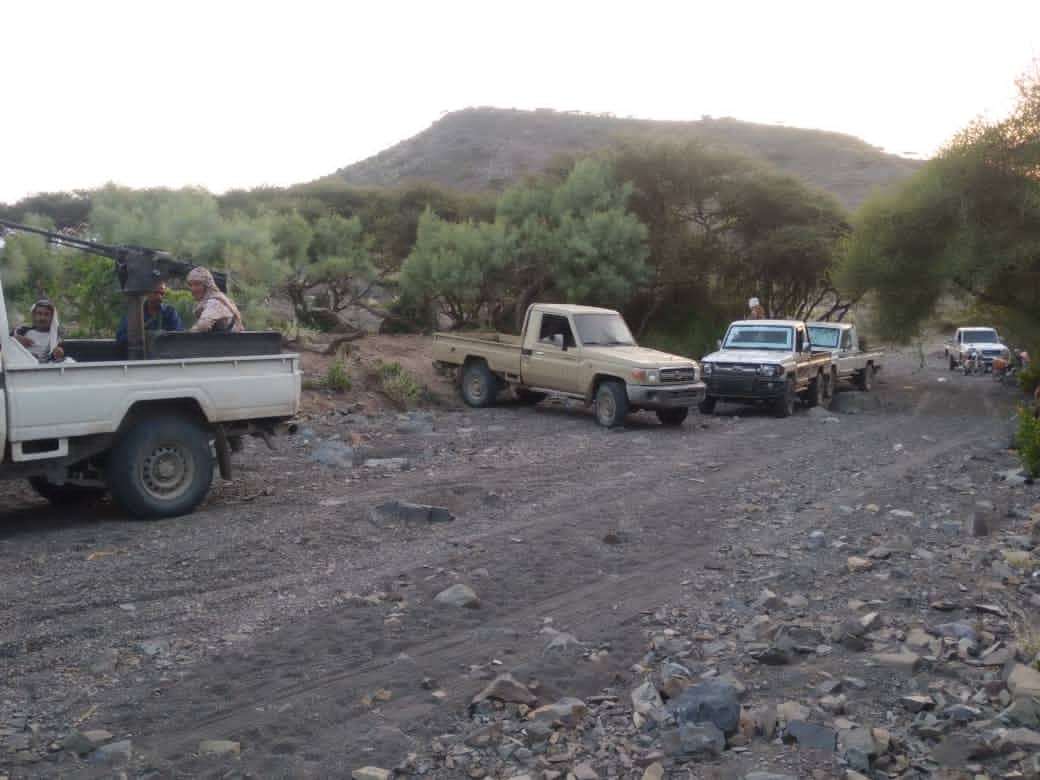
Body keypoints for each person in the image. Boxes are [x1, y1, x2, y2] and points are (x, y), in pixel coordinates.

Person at [115, 281, 184, 343]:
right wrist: (145, 336)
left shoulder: (170, 312)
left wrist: (161, 336)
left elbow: (179, 335)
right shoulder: (135, 312)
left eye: (162, 294)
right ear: (147, 293)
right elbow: (120, 337)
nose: (159, 297)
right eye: (155, 292)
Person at [186, 267, 244, 333]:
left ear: (207, 285)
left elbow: (203, 325)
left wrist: (187, 334)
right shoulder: (207, 302)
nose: (193, 289)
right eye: (190, 285)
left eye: (197, 284)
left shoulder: (215, 302)